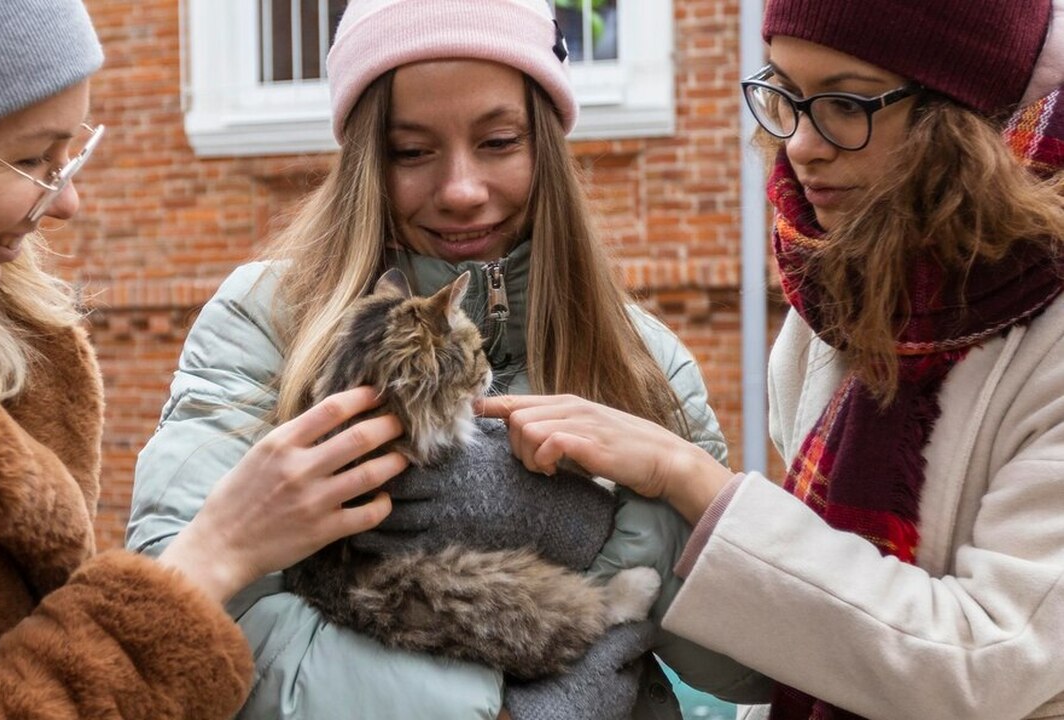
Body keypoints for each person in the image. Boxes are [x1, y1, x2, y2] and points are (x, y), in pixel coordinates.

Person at [127, 0, 772, 717]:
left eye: (498, 141)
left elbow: (751, 668)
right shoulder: (268, 323)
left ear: (545, 147)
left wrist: (625, 519)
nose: (462, 190)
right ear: (367, 160)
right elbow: (188, 621)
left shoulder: (641, 356)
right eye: (412, 151)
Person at [0, 1, 410, 717]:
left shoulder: (0, 341)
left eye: (72, 152)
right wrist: (213, 557)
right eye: (30, 159)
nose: (70, 201)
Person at [478, 0, 1064, 718]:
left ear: (966, 116)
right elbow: (811, 630)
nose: (800, 145)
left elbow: (988, 665)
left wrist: (691, 480)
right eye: (785, 92)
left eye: (846, 103)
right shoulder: (842, 296)